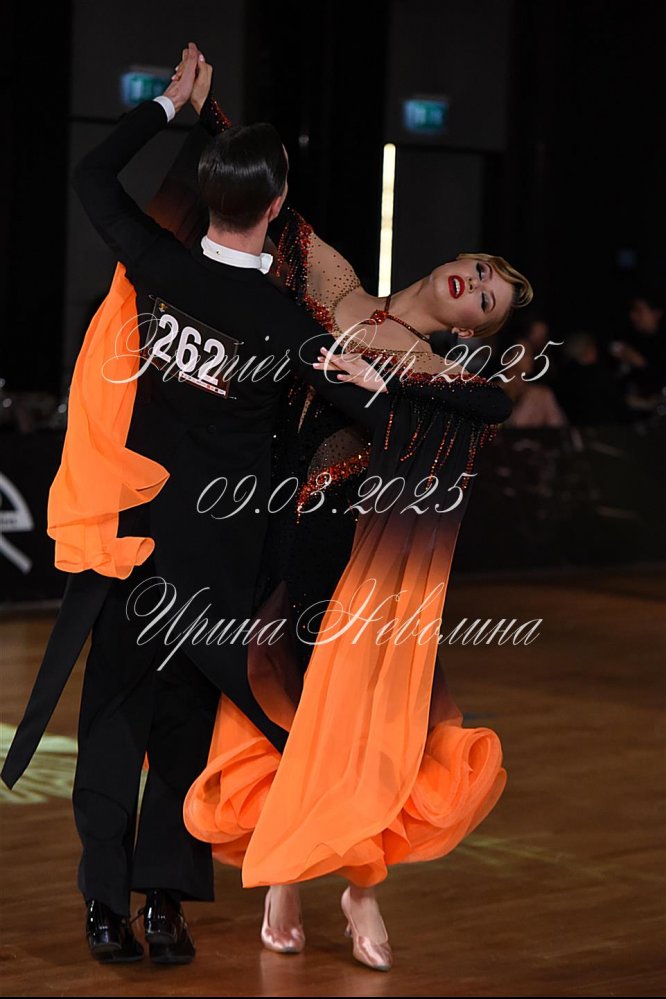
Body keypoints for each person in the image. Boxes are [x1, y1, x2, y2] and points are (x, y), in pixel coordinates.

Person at [0, 42, 448, 968]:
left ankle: (105, 908)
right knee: (182, 726)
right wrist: (406, 384)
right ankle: (165, 905)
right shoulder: (288, 325)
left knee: (114, 717)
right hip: (219, 559)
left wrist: (170, 106)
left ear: (208, 197)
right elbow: (385, 419)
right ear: (277, 209)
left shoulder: (158, 263)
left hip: (136, 541)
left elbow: (91, 176)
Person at [151, 58, 532, 970]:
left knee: (362, 720)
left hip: (358, 550)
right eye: (480, 269)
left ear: (472, 331)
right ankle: (289, 865)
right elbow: (269, 202)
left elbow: (492, 404)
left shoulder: (443, 373)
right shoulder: (341, 287)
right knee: (280, 703)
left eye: (488, 299)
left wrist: (382, 382)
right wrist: (206, 116)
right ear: (453, 260)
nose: (475, 282)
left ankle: (358, 884)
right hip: (279, 523)